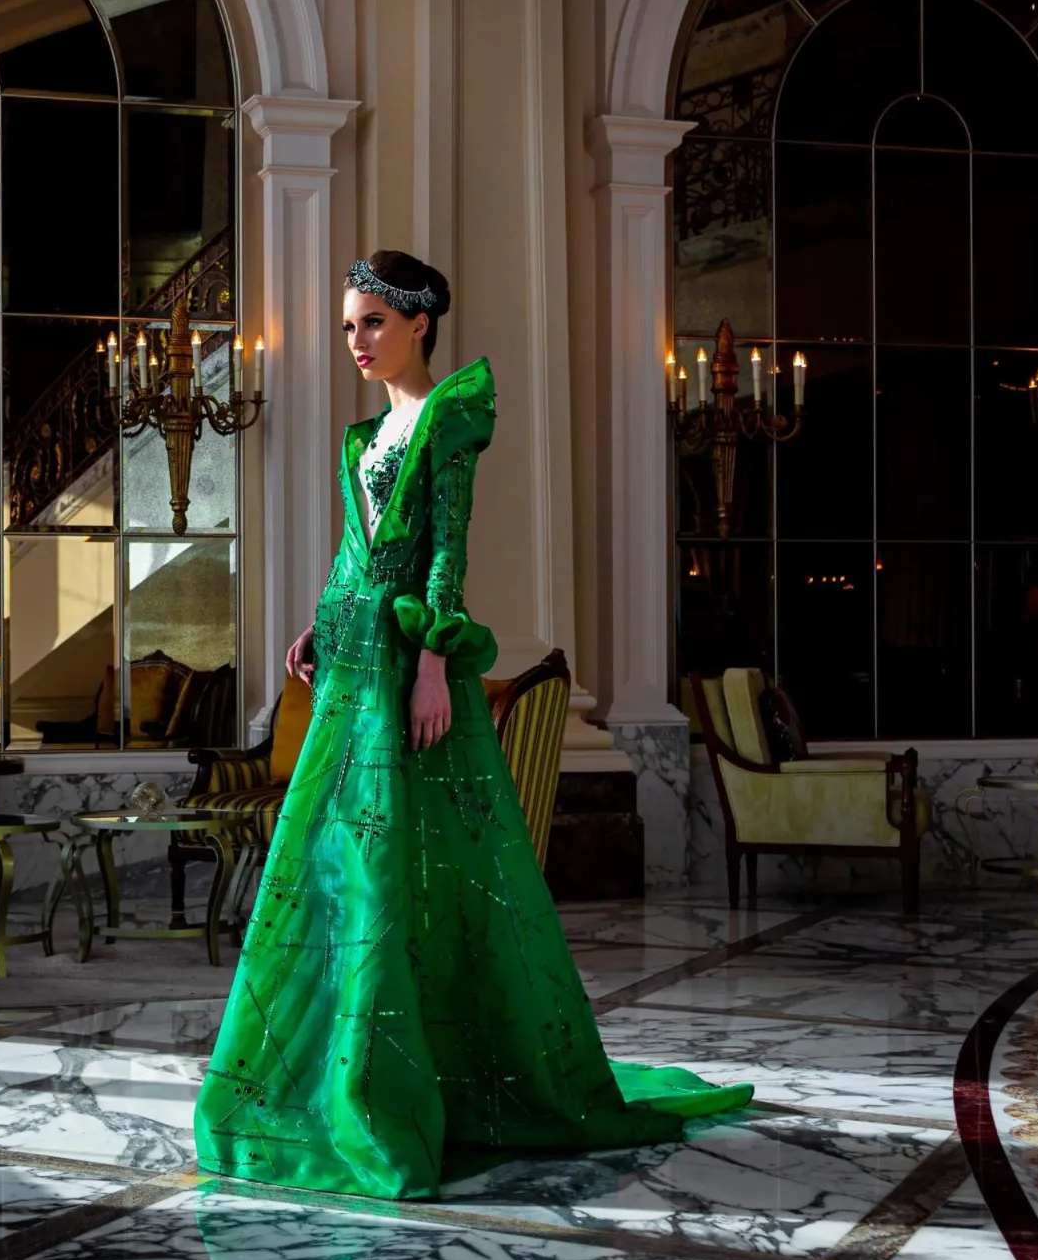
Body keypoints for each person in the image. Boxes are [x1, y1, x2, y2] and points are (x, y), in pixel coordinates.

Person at [192, 251, 752, 1200]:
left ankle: (389, 1085)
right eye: (347, 327)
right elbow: (358, 553)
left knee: (398, 867)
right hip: (351, 662)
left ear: (417, 322)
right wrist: (316, 627)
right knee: (330, 866)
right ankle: (327, 1073)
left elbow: (445, 554)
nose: (356, 342)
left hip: (406, 668)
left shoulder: (451, 418)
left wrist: (433, 667)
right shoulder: (364, 435)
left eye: (370, 322)